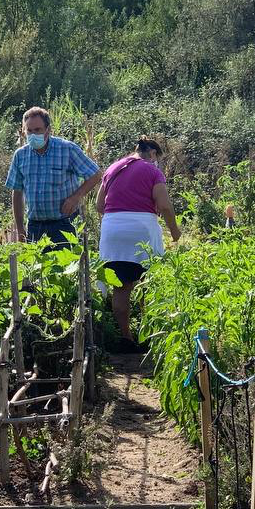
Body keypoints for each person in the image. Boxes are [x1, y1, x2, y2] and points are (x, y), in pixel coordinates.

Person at [96, 135, 180, 349]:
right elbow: (165, 205)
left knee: (121, 287)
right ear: (152, 154)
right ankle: (150, 337)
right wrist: (175, 231)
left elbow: (99, 205)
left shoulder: (113, 168)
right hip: (142, 228)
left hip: (112, 228)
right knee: (148, 284)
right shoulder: (152, 171)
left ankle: (126, 338)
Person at [6, 107, 101, 246]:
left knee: (66, 266)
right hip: (35, 226)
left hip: (64, 224)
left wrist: (76, 197)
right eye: (29, 131)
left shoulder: (67, 149)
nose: (33, 135)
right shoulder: (20, 155)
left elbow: (96, 174)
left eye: (37, 130)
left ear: (48, 130)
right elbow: (17, 191)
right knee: (35, 267)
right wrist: (20, 229)